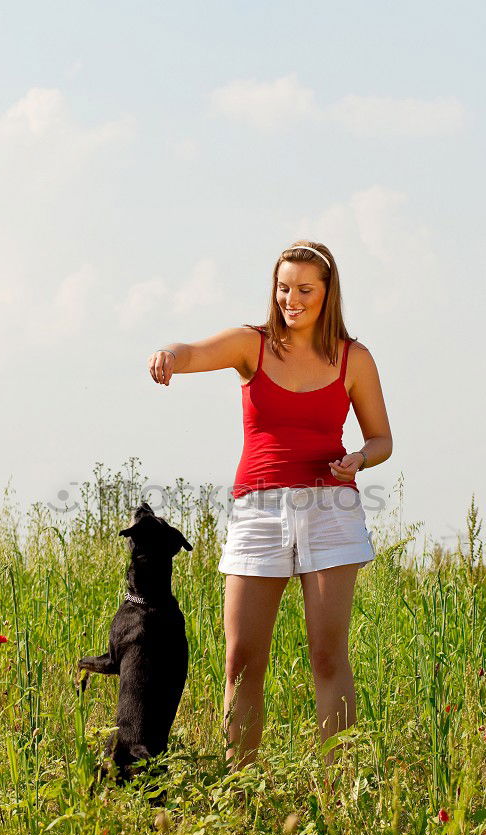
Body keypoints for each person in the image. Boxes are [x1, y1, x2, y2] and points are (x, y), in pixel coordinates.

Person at [147, 241, 393, 768]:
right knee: (241, 660)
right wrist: (170, 352)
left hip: (331, 510)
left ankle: (338, 788)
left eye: (305, 289)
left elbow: (381, 439)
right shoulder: (251, 344)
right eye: (284, 288)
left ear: (328, 294)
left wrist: (359, 459)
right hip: (258, 512)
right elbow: (194, 353)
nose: (292, 299)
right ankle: (242, 790)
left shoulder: (354, 358)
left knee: (328, 657)